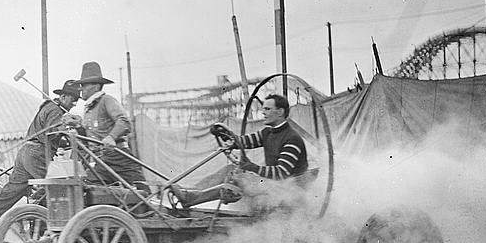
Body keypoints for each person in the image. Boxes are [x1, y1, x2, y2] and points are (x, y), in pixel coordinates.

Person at [0, 80, 80, 242]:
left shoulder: (49, 108)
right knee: (58, 189)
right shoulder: (56, 111)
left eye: (77, 99)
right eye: (73, 98)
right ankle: (44, 232)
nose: (74, 103)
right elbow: (52, 134)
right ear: (62, 96)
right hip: (37, 154)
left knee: (10, 192)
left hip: (25, 152)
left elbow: (50, 134)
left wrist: (65, 132)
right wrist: (67, 126)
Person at [171, 94, 307, 206]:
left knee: (240, 178)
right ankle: (191, 193)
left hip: (287, 189)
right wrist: (224, 135)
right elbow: (244, 141)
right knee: (230, 169)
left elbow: (281, 173)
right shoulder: (268, 132)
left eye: (267, 109)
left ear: (280, 112)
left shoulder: (292, 139)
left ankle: (191, 198)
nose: (263, 112)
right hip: (272, 183)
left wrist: (253, 167)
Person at [69, 61, 146, 186]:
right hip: (101, 161)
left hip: (119, 158)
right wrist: (78, 126)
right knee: (90, 190)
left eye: (83, 85)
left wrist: (111, 137)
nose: (80, 88)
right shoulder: (89, 109)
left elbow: (124, 121)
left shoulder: (107, 101)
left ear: (96, 86)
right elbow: (90, 138)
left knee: (142, 195)